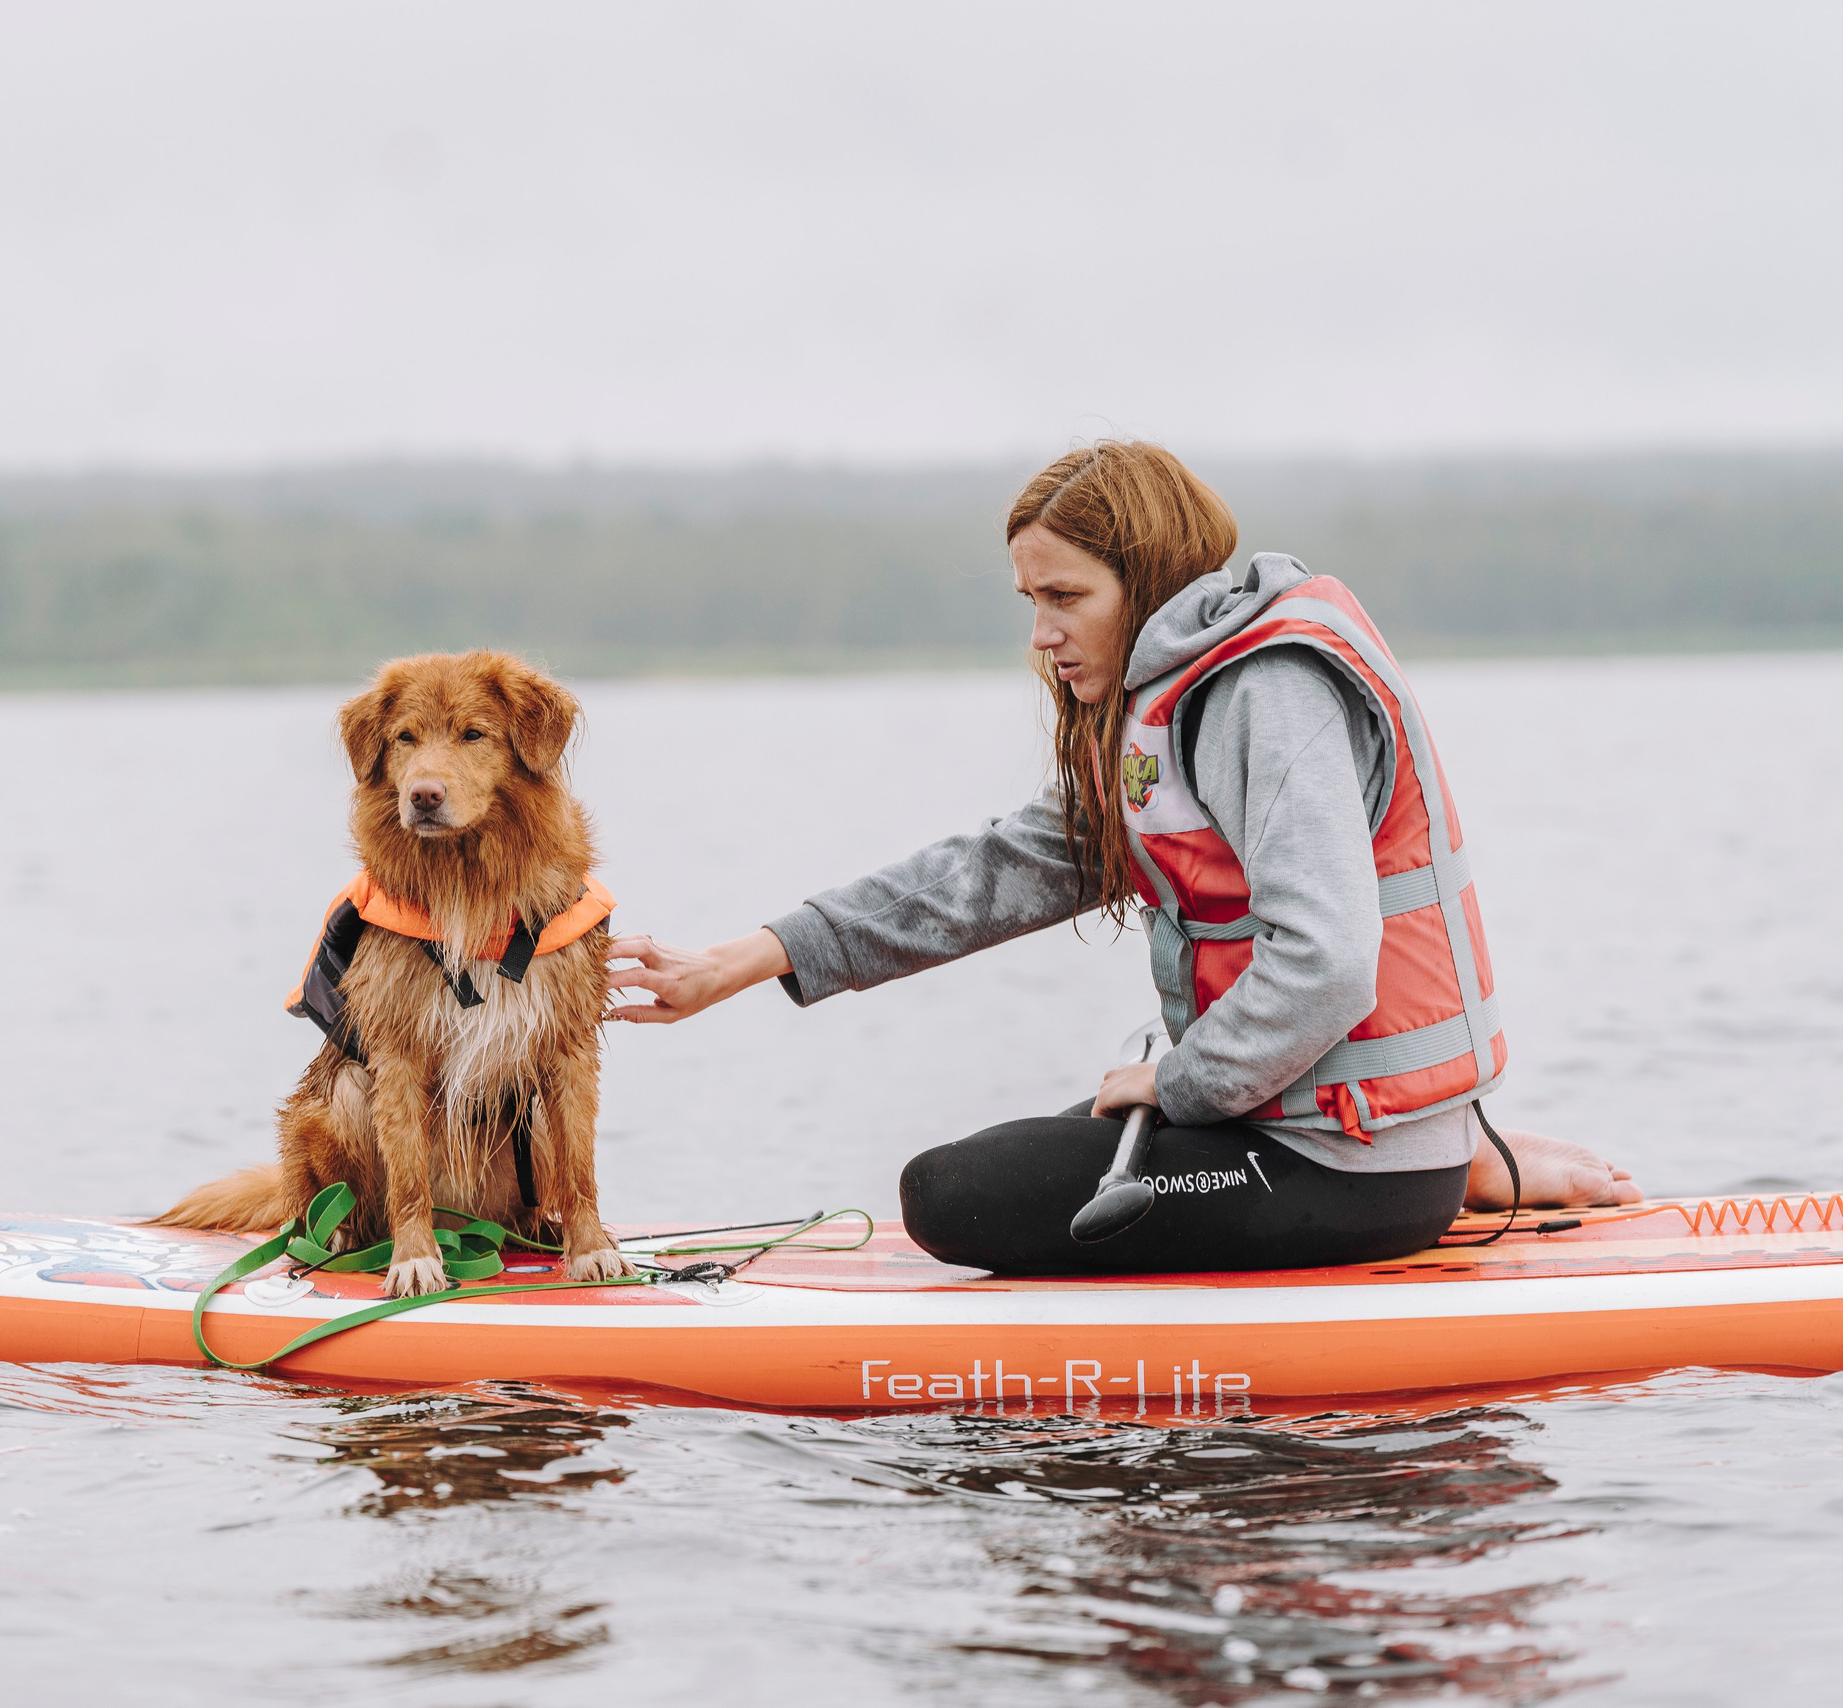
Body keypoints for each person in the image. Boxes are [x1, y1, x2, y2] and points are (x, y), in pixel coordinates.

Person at [606, 441, 1640, 1275]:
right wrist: (739, 962)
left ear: (1143, 580)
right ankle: (1457, 1161)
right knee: (1041, 1149)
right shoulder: (1169, 713)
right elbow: (989, 872)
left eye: (1066, 597)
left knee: (952, 1194)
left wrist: (1179, 1083)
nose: (1044, 634)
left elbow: (1327, 962)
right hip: (1308, 1131)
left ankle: (1451, 1168)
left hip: (1347, 1159)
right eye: (1031, 603)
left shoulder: (1262, 696)